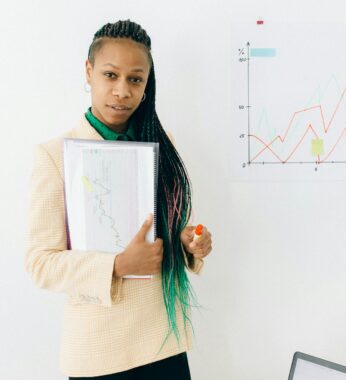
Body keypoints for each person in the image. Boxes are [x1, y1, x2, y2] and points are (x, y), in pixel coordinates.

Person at [25, 19, 213, 379]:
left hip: (164, 342)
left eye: (135, 79)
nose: (122, 91)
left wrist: (189, 241)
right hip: (100, 352)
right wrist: (118, 265)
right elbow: (40, 263)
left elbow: (163, 231)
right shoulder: (55, 156)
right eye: (110, 75)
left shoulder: (162, 143)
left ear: (146, 84)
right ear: (89, 71)